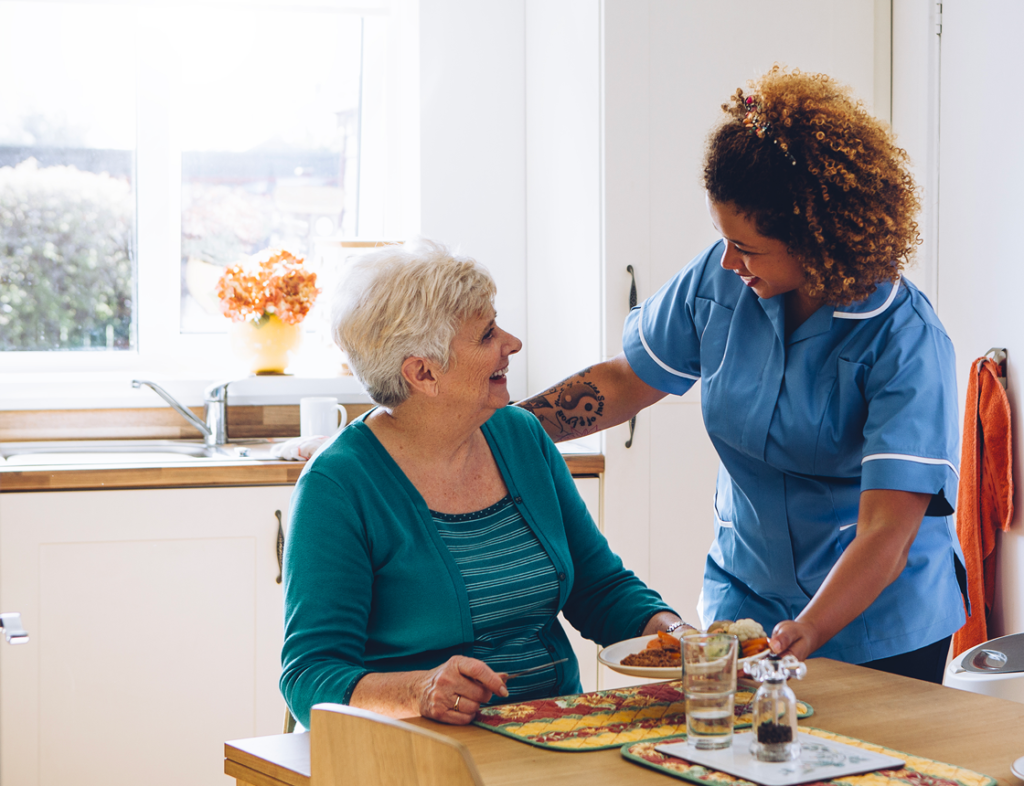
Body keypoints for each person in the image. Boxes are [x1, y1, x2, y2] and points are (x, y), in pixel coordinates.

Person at [519, 65, 966, 684]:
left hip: (875, 623)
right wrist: (504, 428)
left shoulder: (905, 339)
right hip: (746, 601)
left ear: (817, 239)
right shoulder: (723, 277)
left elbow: (888, 529)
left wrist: (810, 628)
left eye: (749, 248)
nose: (729, 261)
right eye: (722, 238)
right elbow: (625, 382)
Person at [279, 238, 686, 728]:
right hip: (421, 752)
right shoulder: (339, 485)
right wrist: (421, 690)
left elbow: (599, 588)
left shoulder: (520, 436)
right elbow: (309, 675)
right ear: (423, 372)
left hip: (554, 732)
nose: (511, 343)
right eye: (487, 334)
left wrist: (678, 636)